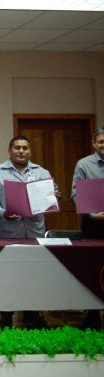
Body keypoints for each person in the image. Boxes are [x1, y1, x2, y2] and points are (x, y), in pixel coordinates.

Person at [0, 135, 58, 329]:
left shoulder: (41, 172)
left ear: (30, 151)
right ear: (10, 150)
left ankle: (32, 315)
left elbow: (52, 194)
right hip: (7, 232)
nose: (21, 151)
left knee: (33, 275)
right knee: (8, 275)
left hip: (34, 232)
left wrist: (52, 197)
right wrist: (2, 212)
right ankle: (5, 316)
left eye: (25, 148)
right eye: (17, 148)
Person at [71, 127, 104, 330]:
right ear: (94, 144)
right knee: (92, 268)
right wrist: (92, 214)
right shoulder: (84, 164)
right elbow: (76, 194)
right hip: (93, 224)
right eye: (101, 142)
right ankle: (91, 315)